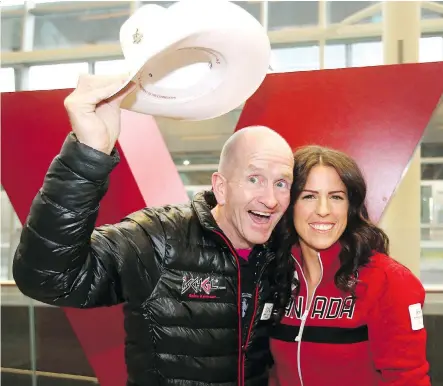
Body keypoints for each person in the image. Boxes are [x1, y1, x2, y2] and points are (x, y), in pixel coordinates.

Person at [12, 74, 296, 386]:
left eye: (281, 183)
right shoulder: (160, 237)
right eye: (254, 179)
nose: (269, 199)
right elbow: (48, 277)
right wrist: (87, 156)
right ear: (222, 187)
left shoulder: (277, 255)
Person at [268, 145, 431, 386]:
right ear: (290, 205)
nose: (323, 210)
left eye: (336, 197)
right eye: (309, 196)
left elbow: (408, 380)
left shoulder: (389, 281)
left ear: (350, 207)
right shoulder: (276, 275)